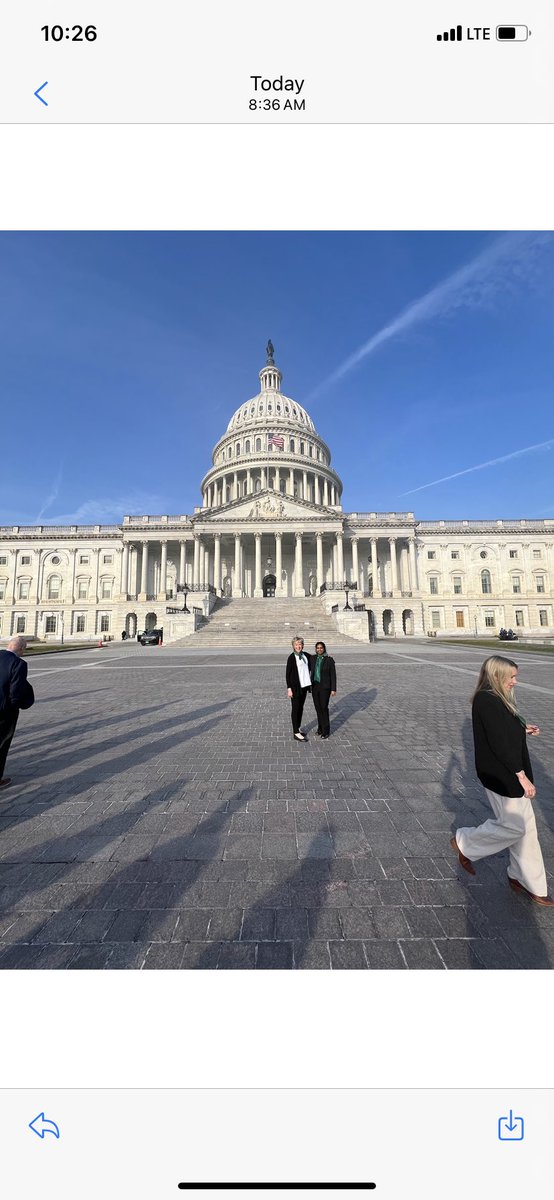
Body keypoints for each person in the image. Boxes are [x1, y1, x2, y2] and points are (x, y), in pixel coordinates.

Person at [451, 655, 553, 906]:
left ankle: (525, 879)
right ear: (497, 677)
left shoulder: (495, 697)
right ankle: (465, 842)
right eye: (512, 677)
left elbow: (502, 729)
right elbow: (498, 742)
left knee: (527, 830)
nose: (515, 682)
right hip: (502, 774)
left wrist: (522, 727)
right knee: (515, 827)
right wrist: (522, 777)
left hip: (506, 771)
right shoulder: (487, 700)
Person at [0, 636, 35, 790]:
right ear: (21, 649)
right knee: (2, 744)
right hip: (4, 711)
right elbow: (16, 691)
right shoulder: (18, 664)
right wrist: (16, 705)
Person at [286, 636, 312, 741]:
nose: (298, 646)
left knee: (301, 708)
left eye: (300, 644)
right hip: (296, 688)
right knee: (295, 709)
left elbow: (316, 658)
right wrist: (289, 688)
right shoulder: (292, 657)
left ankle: (298, 728)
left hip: (304, 686)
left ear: (303, 645)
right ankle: (295, 732)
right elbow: (288, 674)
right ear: (293, 646)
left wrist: (327, 656)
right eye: (296, 644)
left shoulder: (305, 655)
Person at [310, 641, 337, 739]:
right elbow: (303, 657)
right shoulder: (312, 658)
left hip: (325, 688)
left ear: (324, 649)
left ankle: (326, 730)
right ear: (315, 649)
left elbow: (333, 675)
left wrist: (333, 689)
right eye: (317, 648)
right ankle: (320, 728)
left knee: (324, 708)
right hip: (315, 687)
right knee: (318, 709)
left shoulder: (329, 660)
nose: (319, 649)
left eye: (321, 648)